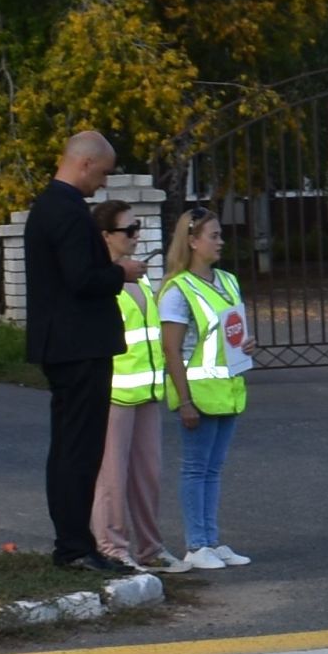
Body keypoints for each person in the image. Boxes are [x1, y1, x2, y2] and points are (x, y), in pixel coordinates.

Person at [23, 131, 145, 571]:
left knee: (71, 445)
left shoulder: (50, 206)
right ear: (86, 164)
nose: (103, 184)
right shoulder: (68, 211)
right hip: (78, 346)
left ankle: (75, 544)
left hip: (66, 344)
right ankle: (74, 548)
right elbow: (80, 279)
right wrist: (121, 272)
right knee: (79, 448)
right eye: (104, 173)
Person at [87, 201, 189, 575]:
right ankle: (112, 547)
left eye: (138, 227)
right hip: (114, 393)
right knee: (112, 478)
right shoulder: (103, 277)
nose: (136, 235)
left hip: (146, 391)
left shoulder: (139, 275)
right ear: (105, 237)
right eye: (128, 230)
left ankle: (150, 548)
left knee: (148, 475)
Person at [160, 207, 258, 571]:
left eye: (220, 235)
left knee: (212, 470)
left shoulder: (228, 281)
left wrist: (247, 344)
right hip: (198, 394)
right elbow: (171, 348)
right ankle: (196, 544)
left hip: (228, 390)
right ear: (192, 241)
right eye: (213, 235)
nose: (221, 241)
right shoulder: (177, 290)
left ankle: (212, 541)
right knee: (195, 469)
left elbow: (231, 334)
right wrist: (184, 400)